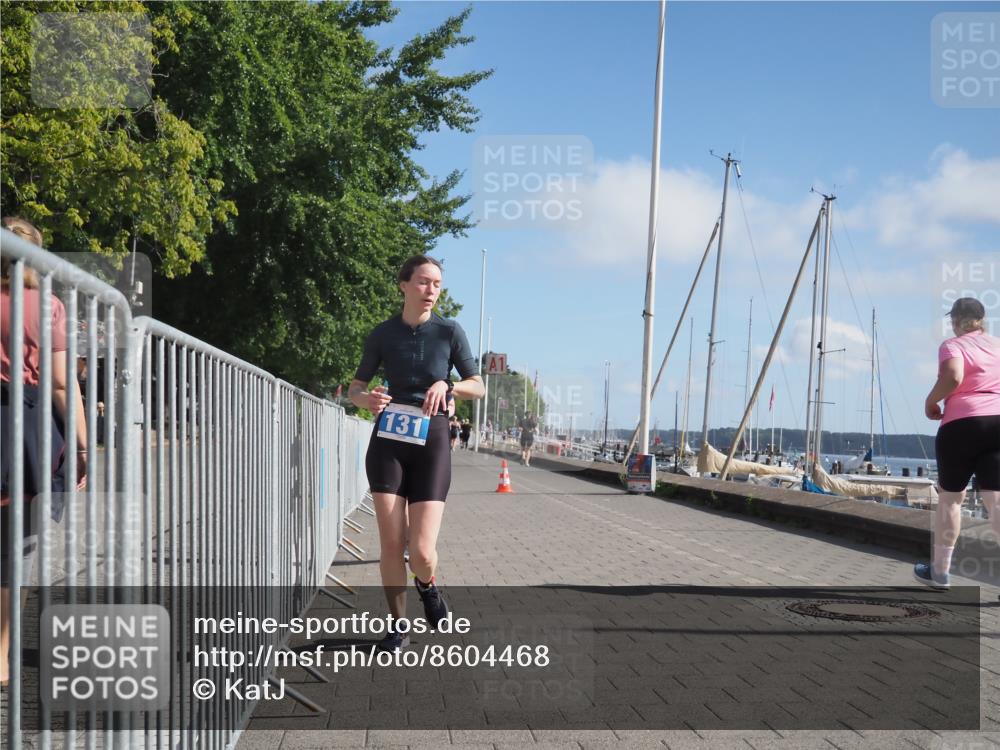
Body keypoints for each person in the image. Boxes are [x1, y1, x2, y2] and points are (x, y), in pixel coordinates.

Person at [349, 255, 484, 651]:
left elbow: (478, 385)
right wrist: (366, 400)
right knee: (392, 545)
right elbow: (356, 387)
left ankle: (427, 585)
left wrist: (449, 386)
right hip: (388, 442)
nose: (431, 291)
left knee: (422, 552)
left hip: (432, 441)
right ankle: (397, 627)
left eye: (437, 284)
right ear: (404, 285)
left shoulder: (449, 332)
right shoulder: (382, 334)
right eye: (424, 282)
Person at [1, 216, 88, 684]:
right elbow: (60, 383)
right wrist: (82, 446)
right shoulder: (48, 306)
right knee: (18, 548)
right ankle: (0, 654)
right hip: (25, 428)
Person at [914, 297, 1000, 589]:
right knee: (996, 500)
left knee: (951, 499)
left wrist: (931, 401)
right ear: (982, 319)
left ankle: (939, 573)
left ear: (955, 321)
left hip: (962, 424)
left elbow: (953, 376)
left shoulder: (953, 345)